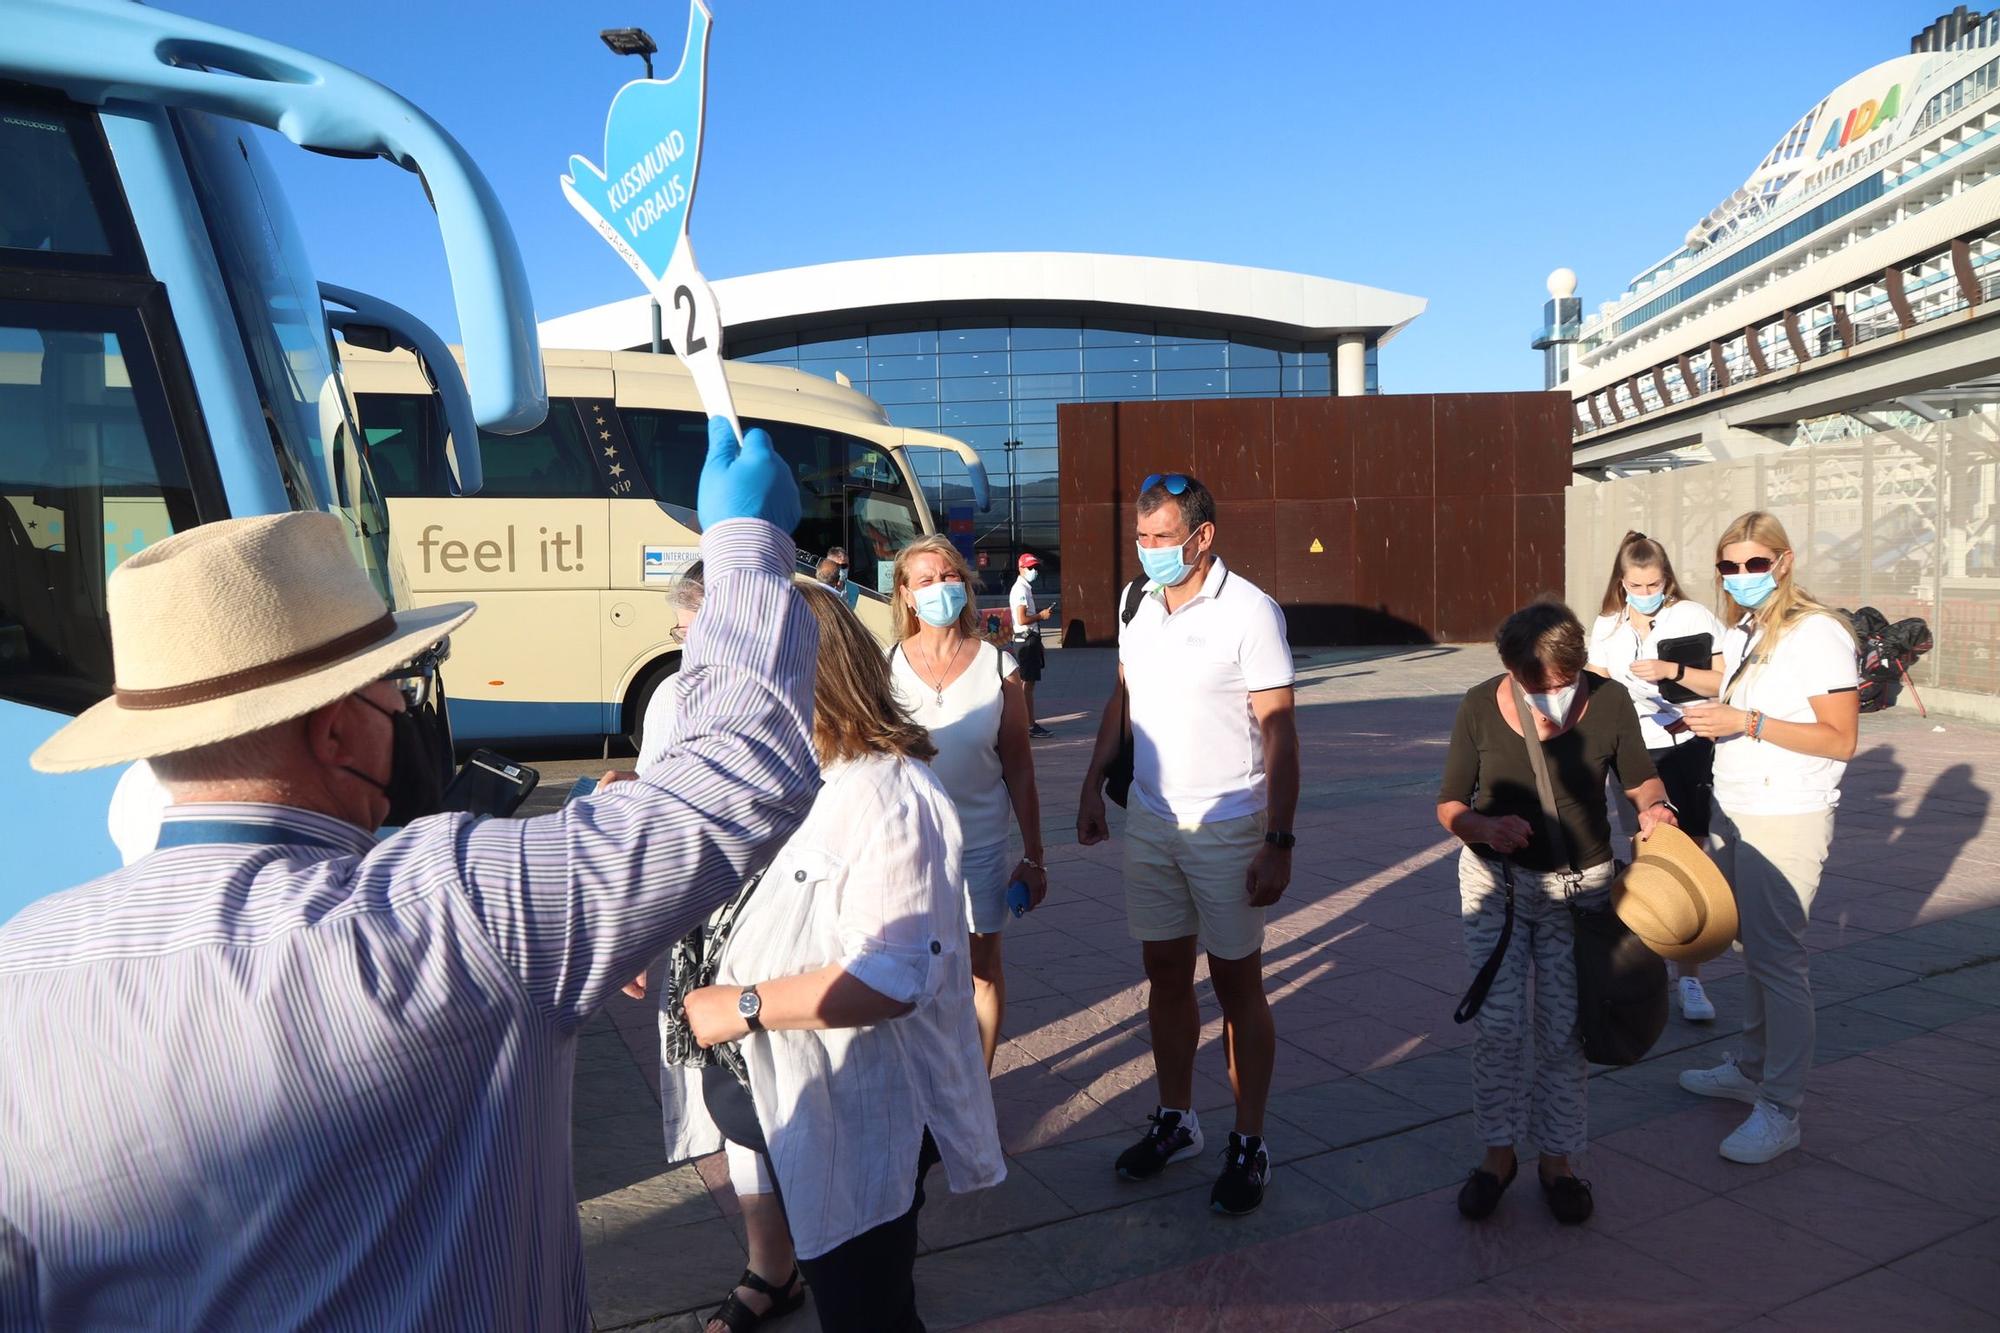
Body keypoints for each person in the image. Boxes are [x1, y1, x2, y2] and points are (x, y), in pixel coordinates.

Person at [0, 420, 818, 1329]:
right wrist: (746, 545)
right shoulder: (452, 906)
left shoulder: (19, 965)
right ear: (337, 730)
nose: (415, 712)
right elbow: (736, 777)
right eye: (401, 686)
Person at [646, 582, 1004, 1333]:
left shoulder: (885, 792)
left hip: (861, 1112)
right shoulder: (780, 777)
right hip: (789, 1100)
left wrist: (742, 1003)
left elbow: (893, 972)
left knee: (865, 1305)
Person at [1077, 473, 1299, 1217]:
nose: (1148, 551)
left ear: (1203, 537)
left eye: (1162, 537)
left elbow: (1280, 732)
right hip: (1150, 818)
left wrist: (1279, 838)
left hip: (1230, 825)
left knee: (1239, 986)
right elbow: (1123, 694)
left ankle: (1249, 1139)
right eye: (1141, 538)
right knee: (1164, 974)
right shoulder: (1136, 601)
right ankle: (1178, 1118)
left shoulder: (1250, 612)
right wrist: (1091, 781)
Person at [1437, 600, 1677, 1227]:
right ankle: (1496, 1157)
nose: (1550, 699)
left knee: (1566, 1031)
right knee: (1499, 1026)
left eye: (1563, 685)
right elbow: (1448, 804)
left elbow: (1641, 780)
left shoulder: (1612, 702)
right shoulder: (1476, 706)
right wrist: (1483, 826)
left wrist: (1656, 808)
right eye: (1534, 687)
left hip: (1583, 893)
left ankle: (1558, 1162)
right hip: (1497, 888)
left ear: (1579, 667)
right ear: (1510, 669)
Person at [1679, 511, 1859, 1165]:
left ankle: (1781, 1108)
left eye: (1757, 563)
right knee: (1753, 948)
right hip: (1739, 807)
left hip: (1789, 812)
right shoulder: (1749, 626)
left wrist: (1745, 720)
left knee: (1779, 960)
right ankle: (1752, 1065)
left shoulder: (1819, 633)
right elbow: (1745, 710)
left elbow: (1840, 737)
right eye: (1730, 565)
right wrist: (1707, 713)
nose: (1743, 576)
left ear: (1784, 561)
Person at [888, 534, 1048, 1070]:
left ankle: (976, 1087)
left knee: (981, 969)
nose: (940, 588)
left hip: (979, 844)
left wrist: (1034, 854)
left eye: (949, 576)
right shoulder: (883, 670)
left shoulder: (997, 667)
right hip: (906, 851)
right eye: (926, 580)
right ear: (907, 595)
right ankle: (923, 1085)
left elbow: (1019, 767)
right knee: (912, 970)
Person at [1584, 530, 1727, 1022]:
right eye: (1636, 585)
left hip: (1690, 743)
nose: (1645, 593)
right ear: (1621, 583)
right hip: (1636, 752)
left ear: (1667, 580)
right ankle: (1646, 966)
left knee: (1690, 855)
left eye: (1654, 584)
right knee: (1646, 856)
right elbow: (1596, 688)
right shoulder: (1607, 626)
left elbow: (1723, 680)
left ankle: (1689, 977)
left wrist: (1671, 670)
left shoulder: (1691, 617)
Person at [1008, 553, 1054, 737]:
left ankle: (1026, 723)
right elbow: (1022, 618)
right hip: (1025, 641)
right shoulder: (1020, 590)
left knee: (1028, 684)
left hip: (1029, 640)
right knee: (1027, 685)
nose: (1033, 571)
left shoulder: (1025, 588)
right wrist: (1041, 616)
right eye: (1030, 568)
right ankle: (1028, 725)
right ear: (1021, 568)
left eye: (1035, 567)